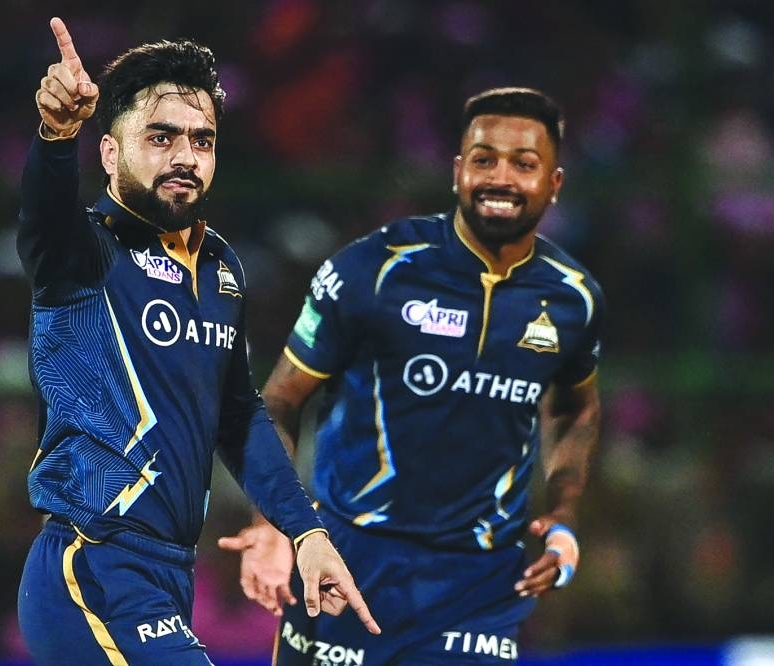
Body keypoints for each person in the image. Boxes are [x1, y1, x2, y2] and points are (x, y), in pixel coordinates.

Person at [16, 17, 379, 665]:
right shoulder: (83, 250)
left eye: (202, 140)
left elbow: (238, 419)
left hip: (170, 574)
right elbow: (43, 216)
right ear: (108, 152)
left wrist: (308, 533)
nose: (186, 155)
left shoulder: (220, 269)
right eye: (160, 137)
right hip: (93, 564)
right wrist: (55, 136)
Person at [219, 87, 604, 664]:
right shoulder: (372, 270)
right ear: (456, 172)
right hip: (347, 561)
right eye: (483, 159)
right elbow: (278, 401)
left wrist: (565, 514)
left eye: (524, 164)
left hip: (478, 585)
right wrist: (277, 525)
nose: (500, 177)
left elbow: (577, 407)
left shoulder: (574, 299)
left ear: (554, 183)